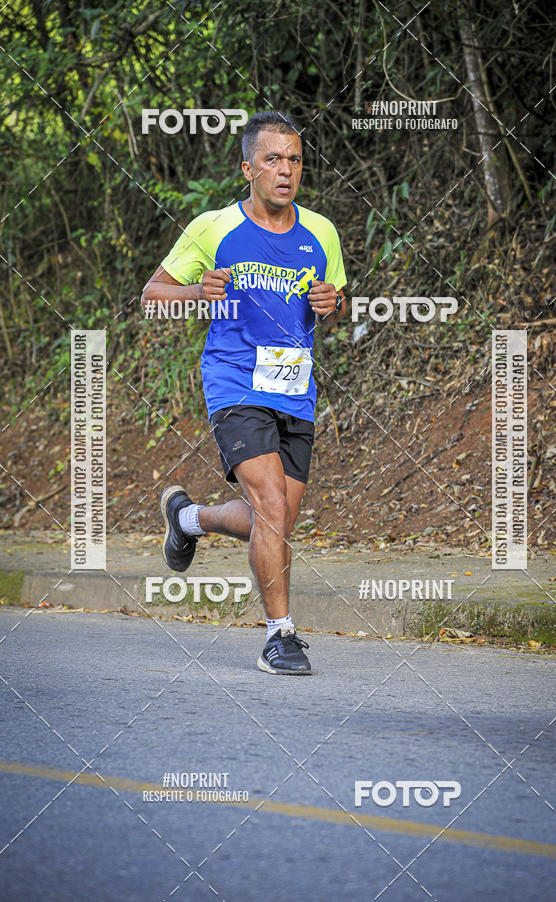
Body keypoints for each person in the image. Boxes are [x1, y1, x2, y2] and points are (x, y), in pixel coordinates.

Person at [141, 111, 346, 675]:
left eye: (295, 160)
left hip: (294, 389)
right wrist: (194, 291)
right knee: (272, 507)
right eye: (273, 159)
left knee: (273, 521)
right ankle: (280, 637)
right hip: (234, 381)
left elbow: (337, 300)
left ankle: (188, 519)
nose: (286, 171)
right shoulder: (214, 228)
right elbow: (152, 294)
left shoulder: (321, 232)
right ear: (248, 168)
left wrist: (333, 304)